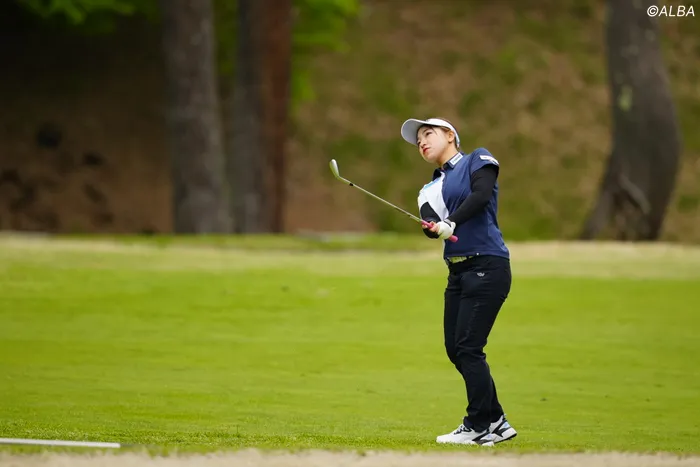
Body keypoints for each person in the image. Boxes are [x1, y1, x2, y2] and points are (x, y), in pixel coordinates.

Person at [400, 117, 517, 446]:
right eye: (418, 141)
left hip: (487, 264)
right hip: (457, 272)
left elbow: (481, 195)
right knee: (456, 349)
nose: (422, 142)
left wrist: (450, 221)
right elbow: (431, 221)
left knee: (468, 347)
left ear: (450, 135)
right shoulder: (427, 190)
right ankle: (496, 420)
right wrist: (433, 227)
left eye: (428, 134)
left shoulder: (477, 159)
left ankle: (478, 423)